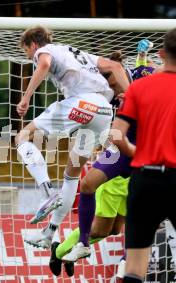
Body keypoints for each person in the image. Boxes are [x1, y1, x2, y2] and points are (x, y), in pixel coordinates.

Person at [15, 26, 130, 249]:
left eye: (26, 51)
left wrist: (26, 98)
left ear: (33, 44)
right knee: (71, 173)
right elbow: (115, 66)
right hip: (104, 111)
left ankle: (47, 192)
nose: (29, 56)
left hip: (82, 104)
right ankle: (49, 233)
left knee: (22, 137)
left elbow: (45, 64)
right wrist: (133, 95)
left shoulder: (44, 51)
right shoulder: (78, 53)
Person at [62, 52, 155, 262]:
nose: (108, 86)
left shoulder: (145, 74)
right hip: (119, 150)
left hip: (147, 151)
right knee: (87, 184)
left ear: (118, 70)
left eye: (109, 79)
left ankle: (127, 260)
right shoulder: (106, 95)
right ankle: (82, 244)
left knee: (139, 213)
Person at [111, 28, 176, 283]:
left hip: (144, 179)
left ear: (160, 54)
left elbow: (116, 135)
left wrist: (135, 152)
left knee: (135, 268)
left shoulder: (139, 88)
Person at [49, 176, 129, 277]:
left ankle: (70, 250)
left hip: (130, 183)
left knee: (115, 229)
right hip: (114, 184)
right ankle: (58, 251)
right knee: (98, 230)